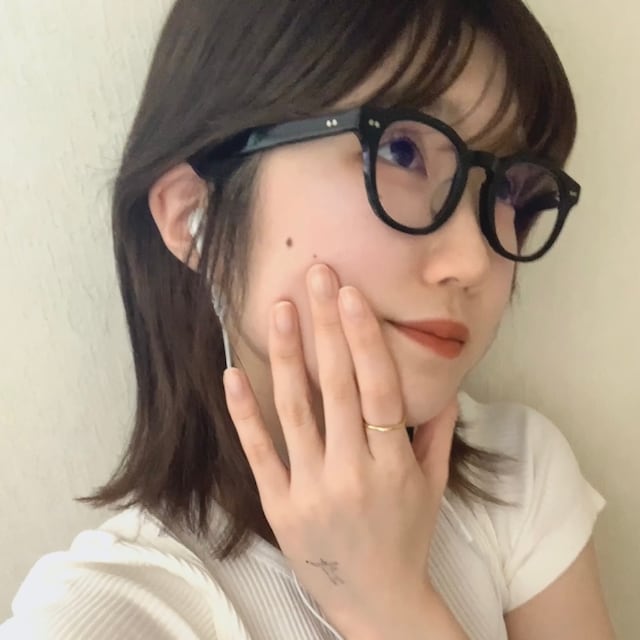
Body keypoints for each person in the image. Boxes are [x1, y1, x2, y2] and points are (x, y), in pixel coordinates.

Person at [0, 1, 616, 638]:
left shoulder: (516, 476)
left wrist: (388, 605)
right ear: (194, 216)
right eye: (402, 150)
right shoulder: (110, 612)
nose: (475, 260)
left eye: (509, 190)